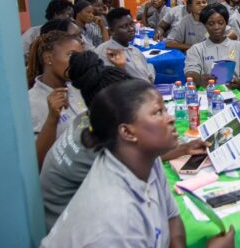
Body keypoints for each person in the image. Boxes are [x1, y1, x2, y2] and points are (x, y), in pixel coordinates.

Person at [41, 79, 235, 247]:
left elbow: (172, 220)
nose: (171, 118)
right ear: (127, 132)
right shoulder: (113, 224)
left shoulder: (144, 159)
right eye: (158, 112)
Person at [40, 51, 208, 231]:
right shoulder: (96, 145)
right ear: (125, 127)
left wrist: (182, 149)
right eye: (155, 112)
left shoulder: (90, 121)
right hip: (74, 227)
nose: (169, 118)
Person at [27, 31, 86, 166]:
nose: (77, 62)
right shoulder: (32, 102)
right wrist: (52, 119)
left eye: (80, 56)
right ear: (48, 58)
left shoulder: (77, 88)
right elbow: (36, 163)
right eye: (71, 55)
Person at [185, 4, 240, 91]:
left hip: (237, 95)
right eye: (211, 24)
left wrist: (238, 82)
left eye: (220, 23)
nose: (216, 27)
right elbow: (191, 72)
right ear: (205, 25)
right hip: (208, 95)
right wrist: (200, 79)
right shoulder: (196, 49)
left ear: (226, 23)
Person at [95, 8, 155, 83]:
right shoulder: (106, 52)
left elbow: (147, 74)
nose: (131, 29)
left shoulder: (134, 50)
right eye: (124, 26)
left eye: (131, 24)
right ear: (112, 31)